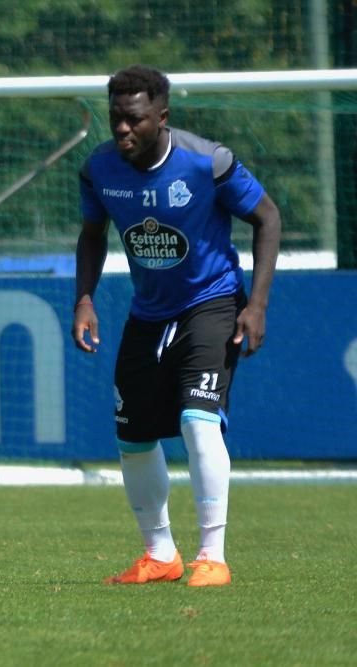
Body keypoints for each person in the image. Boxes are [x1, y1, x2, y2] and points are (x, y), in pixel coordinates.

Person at [72, 65, 281, 587]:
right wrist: (84, 299)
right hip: (148, 313)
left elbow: (268, 217)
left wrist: (256, 305)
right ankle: (160, 555)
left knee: (196, 419)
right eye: (116, 119)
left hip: (212, 304)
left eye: (134, 120)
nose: (122, 129)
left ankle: (212, 556)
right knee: (133, 438)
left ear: (161, 117)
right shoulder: (98, 169)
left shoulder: (206, 162)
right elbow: (92, 234)